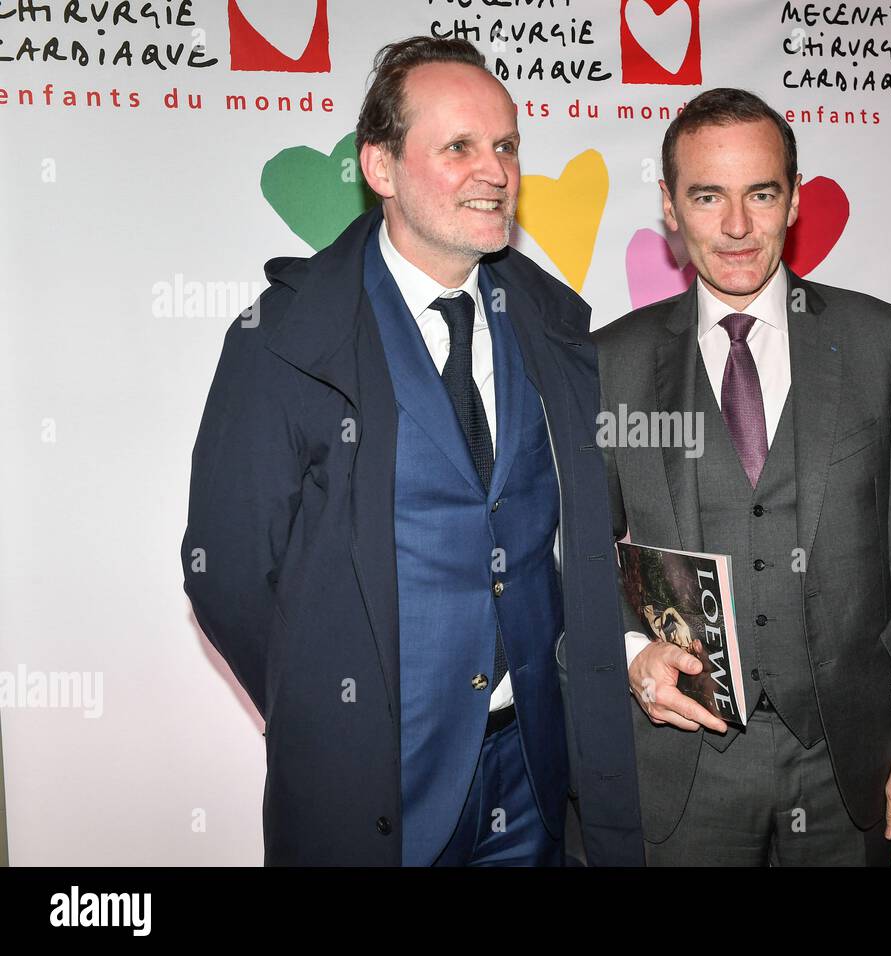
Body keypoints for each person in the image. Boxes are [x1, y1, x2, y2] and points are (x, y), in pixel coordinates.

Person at [181, 36, 642, 866]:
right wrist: (327, 709)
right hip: (369, 791)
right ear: (381, 168)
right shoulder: (281, 337)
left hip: (533, 772)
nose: (495, 171)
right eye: (459, 146)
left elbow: (588, 535)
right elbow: (227, 572)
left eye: (505, 145)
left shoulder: (558, 326)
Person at [594, 88, 891, 865]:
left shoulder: (877, 340)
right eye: (708, 196)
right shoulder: (611, 361)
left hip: (849, 762)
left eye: (760, 194)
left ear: (793, 200)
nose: (737, 226)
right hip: (681, 766)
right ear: (670, 205)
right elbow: (573, 546)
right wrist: (634, 648)